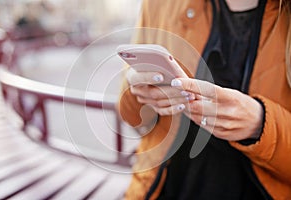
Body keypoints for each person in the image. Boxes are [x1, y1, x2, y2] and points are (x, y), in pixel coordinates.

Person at [118, 0, 291, 199]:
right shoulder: (158, 4)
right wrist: (137, 91)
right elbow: (130, 116)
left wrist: (261, 125)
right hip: (165, 189)